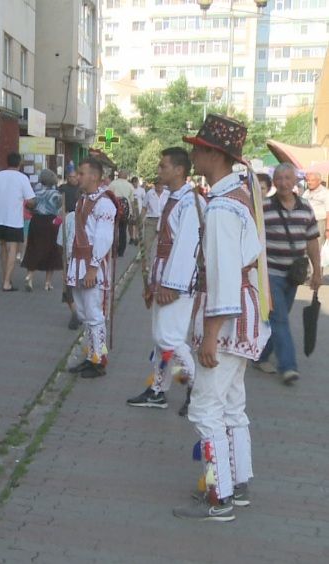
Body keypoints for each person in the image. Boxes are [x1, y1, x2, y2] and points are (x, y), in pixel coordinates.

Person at [173, 114, 270, 522]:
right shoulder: (237, 197)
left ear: (214, 154)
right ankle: (238, 483)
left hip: (228, 321)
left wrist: (210, 335)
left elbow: (224, 278)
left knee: (205, 409)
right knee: (231, 404)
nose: (193, 154)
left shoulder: (221, 209)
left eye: (197, 148)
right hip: (245, 316)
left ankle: (220, 496)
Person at [126, 148, 202, 413]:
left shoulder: (190, 202)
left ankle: (195, 387)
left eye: (163, 166)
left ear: (179, 170)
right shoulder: (175, 198)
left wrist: (171, 284)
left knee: (168, 339)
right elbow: (164, 243)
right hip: (165, 278)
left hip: (178, 283)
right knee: (162, 341)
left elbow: (186, 248)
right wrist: (154, 282)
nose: (159, 171)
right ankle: (158, 389)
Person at [252, 163, 322, 385]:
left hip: (294, 275)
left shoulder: (305, 208)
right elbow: (253, 238)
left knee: (276, 321)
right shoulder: (264, 207)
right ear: (274, 182)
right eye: (279, 178)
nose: (283, 183)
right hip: (270, 274)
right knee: (280, 319)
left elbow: (312, 242)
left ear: (294, 182)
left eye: (287, 178)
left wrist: (317, 271)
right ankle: (289, 366)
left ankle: (261, 355)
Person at [65, 158, 117, 379]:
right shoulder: (81, 201)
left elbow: (104, 238)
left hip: (91, 265)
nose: (78, 176)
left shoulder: (104, 204)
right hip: (78, 263)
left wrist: (93, 267)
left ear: (94, 176)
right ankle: (91, 356)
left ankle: (99, 360)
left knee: (95, 315)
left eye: (82, 173)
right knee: (85, 314)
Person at [0, 153, 35, 291]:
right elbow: (30, 200)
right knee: (12, 249)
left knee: (3, 248)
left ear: (7, 162)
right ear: (19, 163)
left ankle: (5, 277)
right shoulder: (22, 178)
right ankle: (7, 282)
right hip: (14, 219)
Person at [22, 169, 63, 291]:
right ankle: (47, 283)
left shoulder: (35, 192)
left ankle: (29, 276)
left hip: (36, 221)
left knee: (34, 247)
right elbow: (59, 208)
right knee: (51, 250)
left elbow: (29, 206)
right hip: (51, 222)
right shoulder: (56, 194)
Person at [108, 170, 134, 257]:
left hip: (114, 210)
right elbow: (132, 200)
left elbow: (108, 196)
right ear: (126, 176)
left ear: (118, 175)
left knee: (113, 231)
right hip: (125, 212)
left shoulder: (113, 184)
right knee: (123, 231)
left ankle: (113, 250)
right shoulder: (130, 186)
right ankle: (121, 250)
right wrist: (132, 212)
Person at [301, 170, 328, 249]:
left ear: (319, 181)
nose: (309, 182)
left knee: (316, 247)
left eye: (312, 180)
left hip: (319, 223)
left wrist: (327, 229)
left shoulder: (325, 193)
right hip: (306, 224)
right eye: (308, 180)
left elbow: (328, 212)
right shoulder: (306, 193)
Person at [143, 183, 168, 252]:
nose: (159, 186)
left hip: (164, 221)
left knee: (164, 244)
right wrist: (140, 219)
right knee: (147, 244)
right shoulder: (149, 193)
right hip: (151, 220)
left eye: (160, 184)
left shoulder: (168, 194)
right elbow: (144, 207)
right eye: (157, 184)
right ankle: (146, 261)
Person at [130, 176, 145, 245]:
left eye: (136, 182)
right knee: (131, 224)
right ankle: (132, 237)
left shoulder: (141, 190)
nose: (135, 184)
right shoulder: (130, 189)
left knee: (137, 224)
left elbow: (144, 199)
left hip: (139, 208)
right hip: (131, 208)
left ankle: (136, 237)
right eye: (134, 182)